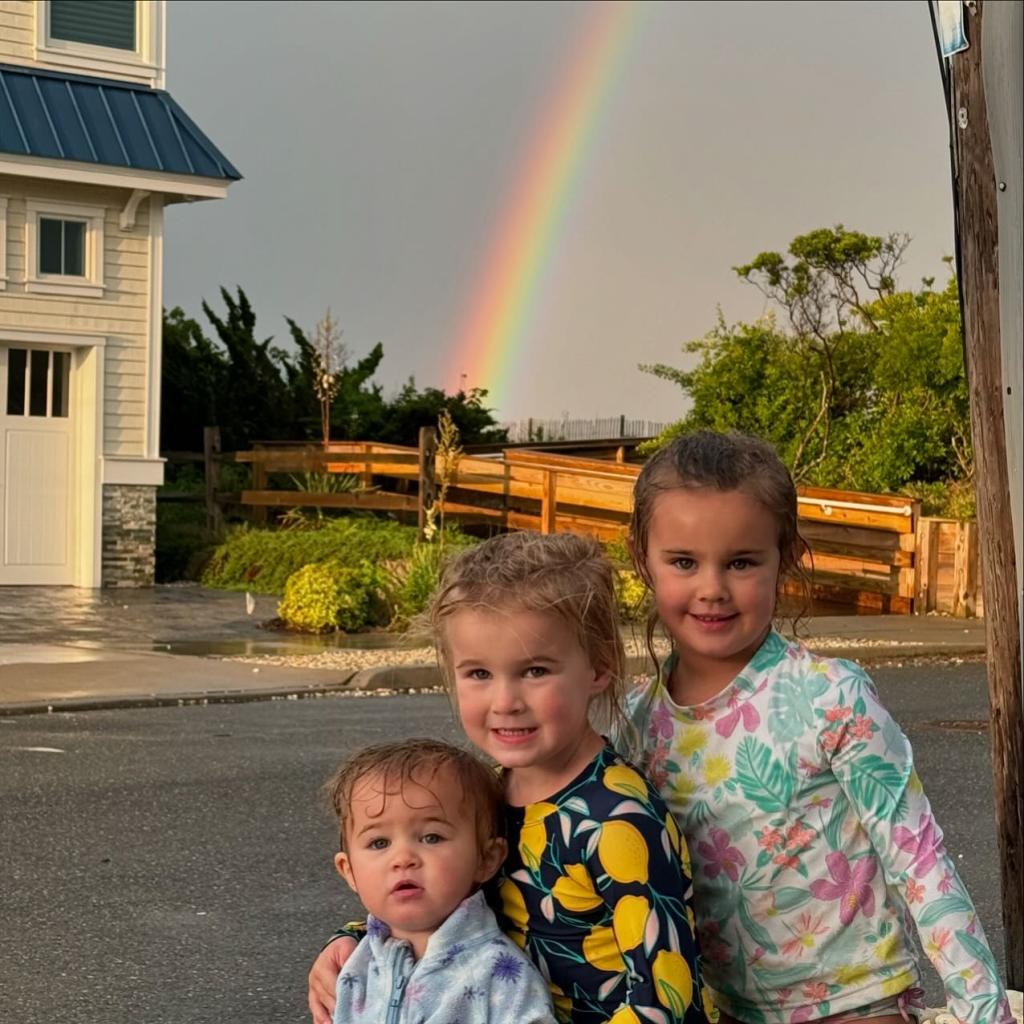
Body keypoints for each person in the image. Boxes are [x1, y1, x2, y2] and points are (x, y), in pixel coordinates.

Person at [623, 430, 1013, 1024]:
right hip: (724, 1011)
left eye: (741, 562)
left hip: (859, 1004)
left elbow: (917, 855)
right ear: (642, 560)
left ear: (786, 557)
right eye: (683, 562)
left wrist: (984, 1008)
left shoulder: (828, 696)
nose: (712, 589)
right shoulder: (637, 725)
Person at [309, 532, 711, 1024]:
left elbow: (668, 1000)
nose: (505, 702)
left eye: (535, 670)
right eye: (479, 674)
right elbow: (445, 895)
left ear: (599, 666)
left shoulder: (617, 822)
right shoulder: (488, 792)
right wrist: (352, 938)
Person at [324, 738, 556, 1023]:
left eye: (431, 837)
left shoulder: (498, 974)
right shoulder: (354, 966)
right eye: (379, 842)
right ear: (348, 871)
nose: (403, 858)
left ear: (486, 859)